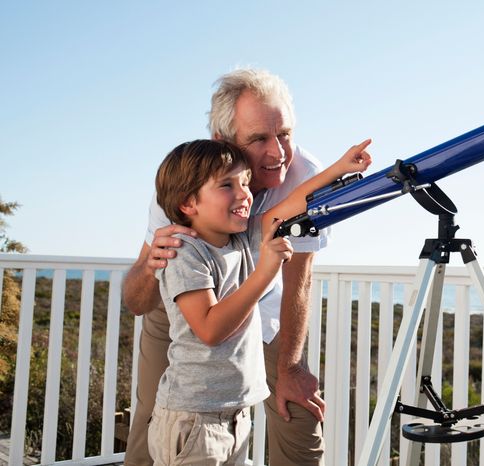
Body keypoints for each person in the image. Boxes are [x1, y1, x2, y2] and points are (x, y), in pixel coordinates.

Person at [123, 69, 338, 465]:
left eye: (285, 134)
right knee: (154, 430)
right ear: (223, 141)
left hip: (265, 312)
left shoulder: (302, 174)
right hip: (187, 308)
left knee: (299, 418)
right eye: (259, 139)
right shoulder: (182, 182)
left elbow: (299, 282)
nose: (278, 153)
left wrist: (291, 367)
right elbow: (142, 303)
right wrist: (150, 271)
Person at [146, 138, 370, 464]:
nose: (244, 193)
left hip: (234, 414)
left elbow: (294, 202)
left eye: (245, 182)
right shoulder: (183, 250)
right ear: (188, 203)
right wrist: (265, 272)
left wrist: (340, 168)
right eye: (227, 185)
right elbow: (209, 329)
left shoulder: (241, 236)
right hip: (193, 417)